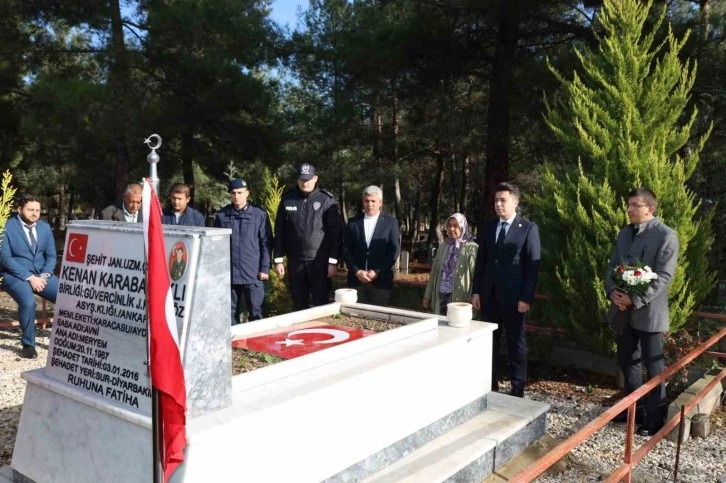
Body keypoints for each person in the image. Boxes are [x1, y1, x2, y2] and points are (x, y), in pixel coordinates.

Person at [606, 188, 678, 437]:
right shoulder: (625, 233)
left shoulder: (666, 235)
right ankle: (632, 411)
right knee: (628, 363)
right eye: (628, 204)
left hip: (649, 314)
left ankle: (655, 418)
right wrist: (613, 292)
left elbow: (664, 276)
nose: (629, 209)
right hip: (622, 312)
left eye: (635, 205)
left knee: (653, 367)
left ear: (650, 208)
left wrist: (634, 299)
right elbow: (612, 265)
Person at [471, 182, 540, 398]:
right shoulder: (489, 227)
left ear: (515, 202)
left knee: (515, 342)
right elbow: (481, 261)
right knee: (489, 340)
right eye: (496, 200)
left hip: (514, 297)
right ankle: (489, 384)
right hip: (489, 295)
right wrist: (476, 291)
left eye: (503, 200)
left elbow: (532, 266)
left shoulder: (528, 228)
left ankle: (517, 386)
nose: (498, 204)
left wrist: (526, 297)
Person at [273, 163, 343, 310]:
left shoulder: (326, 200)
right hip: (295, 262)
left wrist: (333, 262)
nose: (305, 183)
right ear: (297, 180)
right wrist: (278, 260)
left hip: (319, 263)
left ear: (315, 178)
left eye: (308, 179)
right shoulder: (288, 200)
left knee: (320, 305)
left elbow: (335, 234)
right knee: (299, 305)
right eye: (302, 179)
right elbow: (279, 231)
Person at [0, 194, 59, 358]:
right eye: (30, 210)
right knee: (28, 302)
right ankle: (28, 345)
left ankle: (66, 339)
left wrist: (44, 275)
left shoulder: (45, 228)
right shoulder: (6, 227)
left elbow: (51, 255)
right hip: (13, 274)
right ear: (19, 209)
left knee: (67, 296)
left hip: (41, 274)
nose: (34, 213)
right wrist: (30, 278)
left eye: (37, 210)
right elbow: (5, 258)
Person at [214, 178, 273, 323]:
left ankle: (256, 338)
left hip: (252, 273)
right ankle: (233, 337)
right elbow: (215, 245)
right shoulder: (222, 215)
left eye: (240, 193)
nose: (236, 196)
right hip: (229, 273)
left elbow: (266, 243)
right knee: (229, 313)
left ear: (247, 193)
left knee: (256, 312)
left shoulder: (259, 214)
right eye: (233, 193)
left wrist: (264, 268)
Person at [343, 186, 400, 305]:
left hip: (381, 283)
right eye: (367, 201)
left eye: (373, 201)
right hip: (356, 281)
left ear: (380, 202)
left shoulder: (391, 223)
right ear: (363, 201)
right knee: (354, 314)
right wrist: (356, 271)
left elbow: (393, 252)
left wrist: (377, 272)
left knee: (378, 315)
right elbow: (346, 249)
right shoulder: (353, 223)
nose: (370, 204)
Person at [423, 213, 478, 315]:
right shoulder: (444, 246)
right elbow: (434, 272)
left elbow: (475, 276)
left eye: (455, 226)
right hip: (441, 294)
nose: (451, 229)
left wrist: (473, 296)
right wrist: (428, 294)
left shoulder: (471, 248)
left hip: (459, 297)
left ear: (462, 227)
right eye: (449, 225)